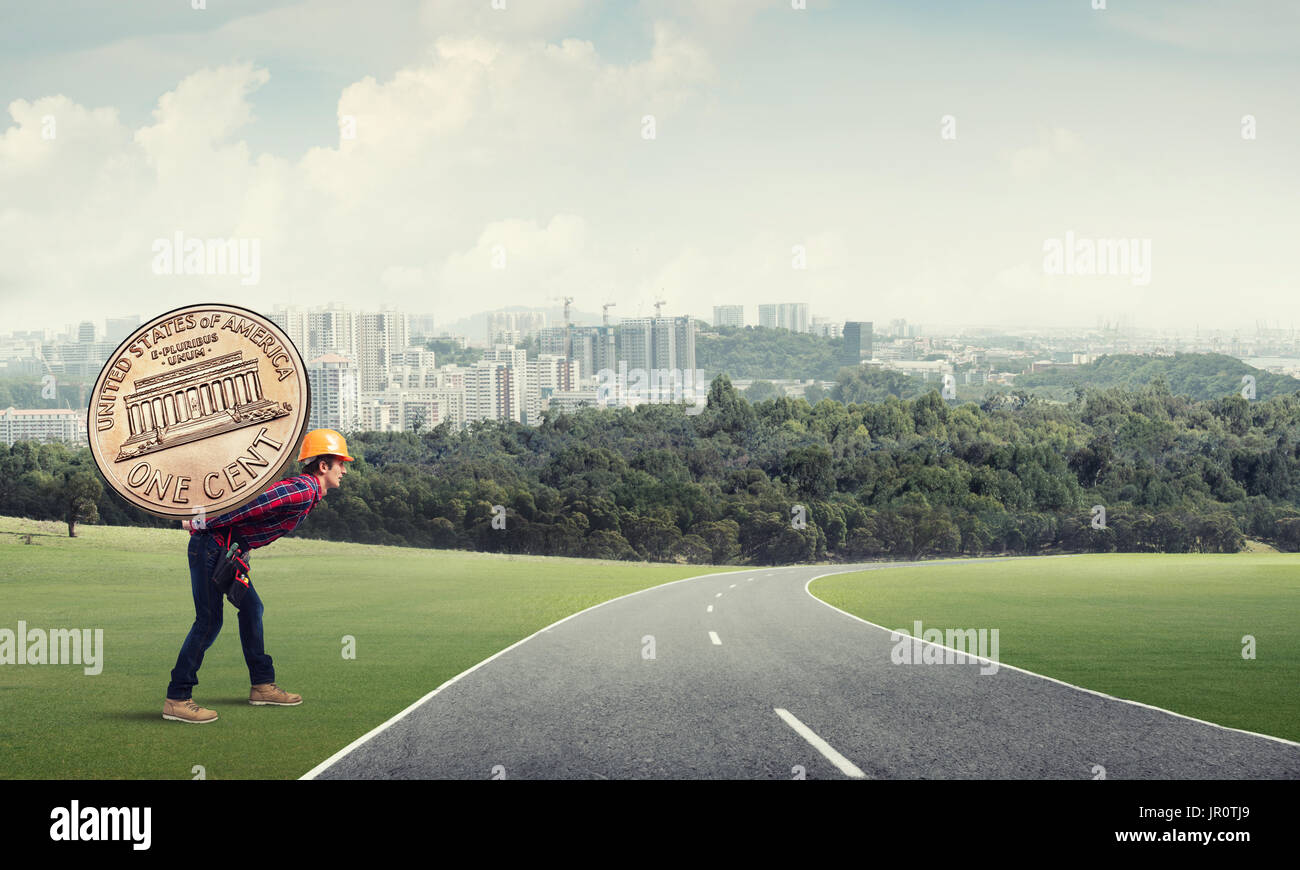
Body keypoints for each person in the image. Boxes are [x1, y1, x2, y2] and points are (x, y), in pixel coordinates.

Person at [162, 429, 353, 724]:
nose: (344, 469)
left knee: (252, 608)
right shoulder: (303, 489)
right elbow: (254, 504)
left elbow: (257, 516)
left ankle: (262, 686)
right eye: (340, 462)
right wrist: (200, 521)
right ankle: (177, 698)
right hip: (211, 545)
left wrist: (243, 551)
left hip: (226, 551)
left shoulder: (309, 493)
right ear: (323, 466)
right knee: (209, 621)